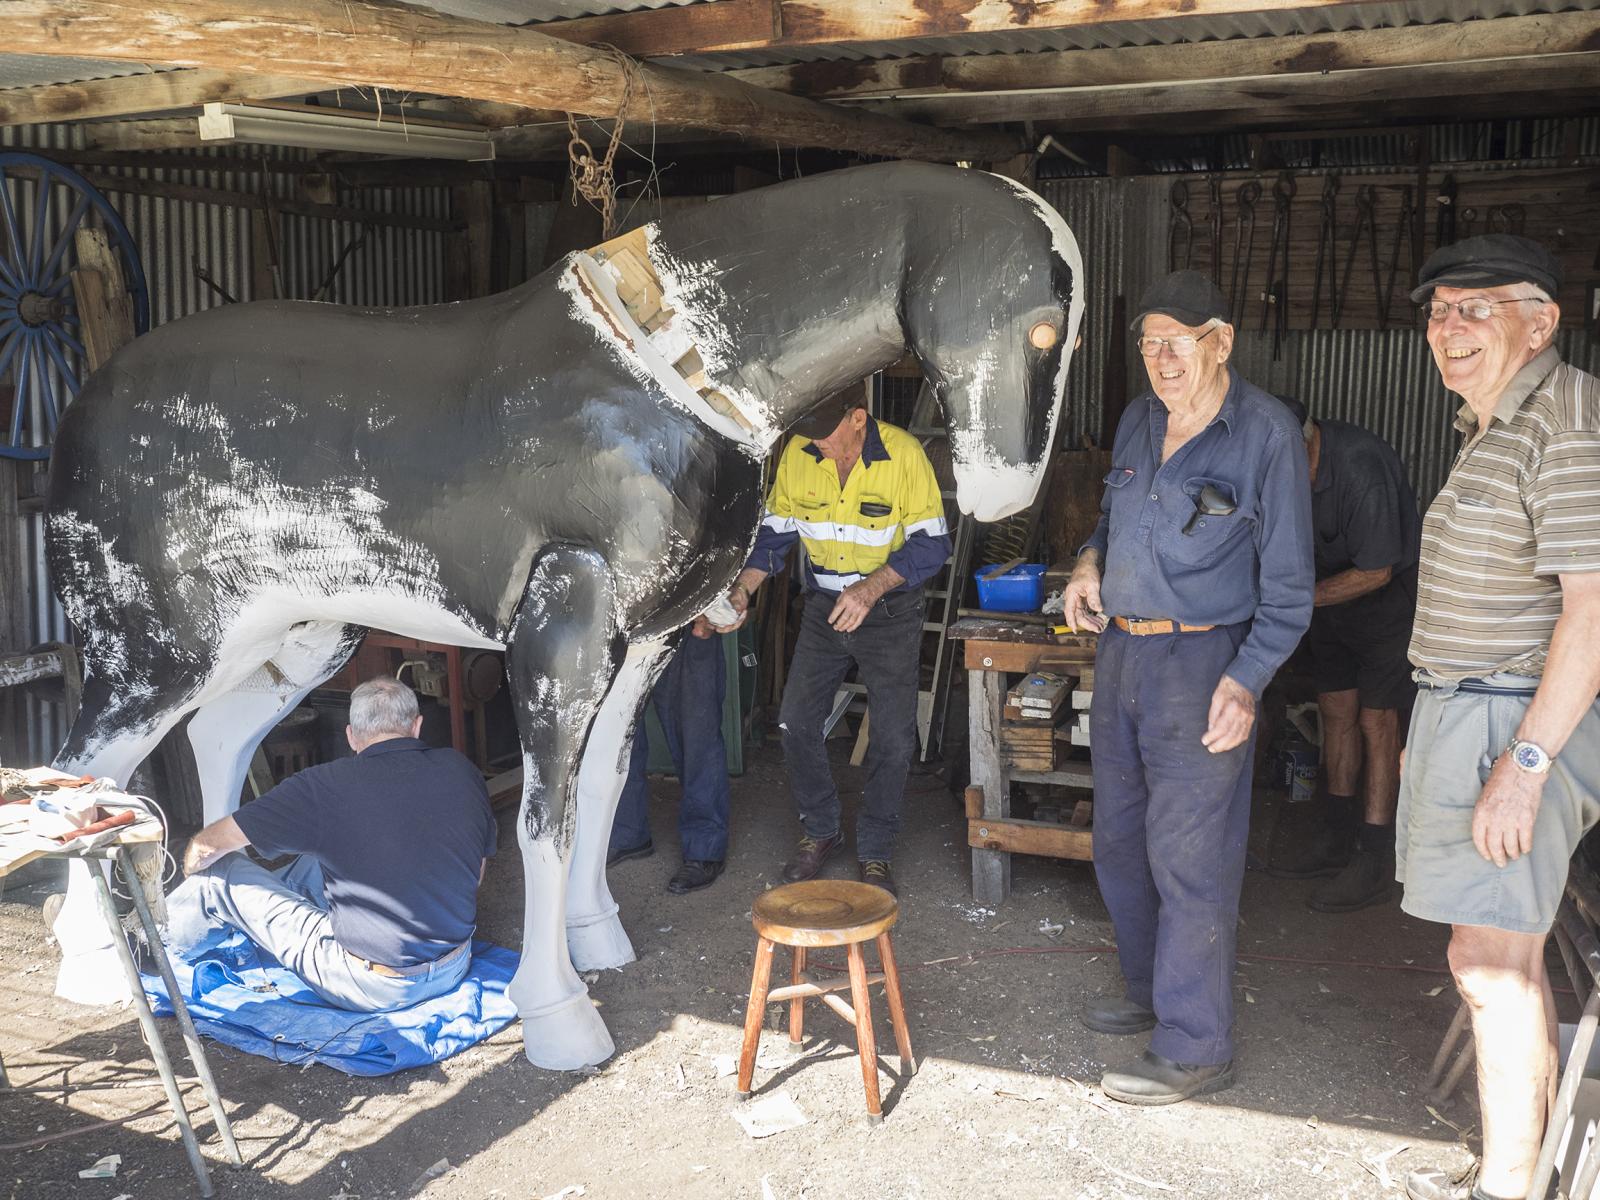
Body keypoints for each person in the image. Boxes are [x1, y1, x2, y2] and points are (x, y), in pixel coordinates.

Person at [1063, 270, 1314, 1105]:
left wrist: (1247, 682)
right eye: (1148, 343)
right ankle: (1149, 992)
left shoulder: (1266, 434)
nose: (1162, 359)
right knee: (1120, 841)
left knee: (1191, 857)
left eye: (1179, 341)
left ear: (1221, 343)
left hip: (1206, 664)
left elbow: (1289, 590)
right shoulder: (1138, 420)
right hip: (1124, 657)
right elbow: (1110, 520)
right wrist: (1087, 564)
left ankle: (1197, 1043)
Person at [1396, 237, 1600, 1200]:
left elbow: (1593, 610)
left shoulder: (1564, 417)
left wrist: (1523, 765)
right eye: (1440, 311)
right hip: (1473, 716)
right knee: (1492, 957)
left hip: (1510, 724)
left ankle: (1509, 1190)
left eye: (1476, 309)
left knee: (1492, 967)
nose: (1450, 327)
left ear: (1541, 321)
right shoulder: (1494, 423)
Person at [715, 385, 951, 898]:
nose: (815, 446)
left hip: (888, 609)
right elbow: (775, 538)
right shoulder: (799, 457)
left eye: (823, 436)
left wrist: (871, 588)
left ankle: (876, 848)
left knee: (892, 739)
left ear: (858, 419)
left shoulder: (904, 455)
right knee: (795, 722)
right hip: (824, 607)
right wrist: (742, 591)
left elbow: (932, 547)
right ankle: (821, 830)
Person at [165, 676, 497, 1013]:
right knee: (316, 863)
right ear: (417, 726)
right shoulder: (461, 769)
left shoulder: (322, 786)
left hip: (373, 985)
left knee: (218, 873)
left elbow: (210, 844)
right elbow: (477, 874)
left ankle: (156, 948)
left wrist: (191, 869)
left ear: (351, 736)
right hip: (456, 964)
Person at [1270, 397, 1420, 913]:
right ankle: (1335, 837)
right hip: (1327, 601)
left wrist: (1295, 600)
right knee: (1336, 712)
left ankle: (1374, 856)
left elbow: (1377, 569)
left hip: (1385, 606)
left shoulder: (1360, 465)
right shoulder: (1283, 468)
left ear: (1307, 441)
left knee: (1377, 721)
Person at [607, 618, 734, 895]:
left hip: (686, 614)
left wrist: (714, 604)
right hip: (626, 619)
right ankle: (627, 833)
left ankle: (705, 849)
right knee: (617, 730)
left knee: (696, 733)